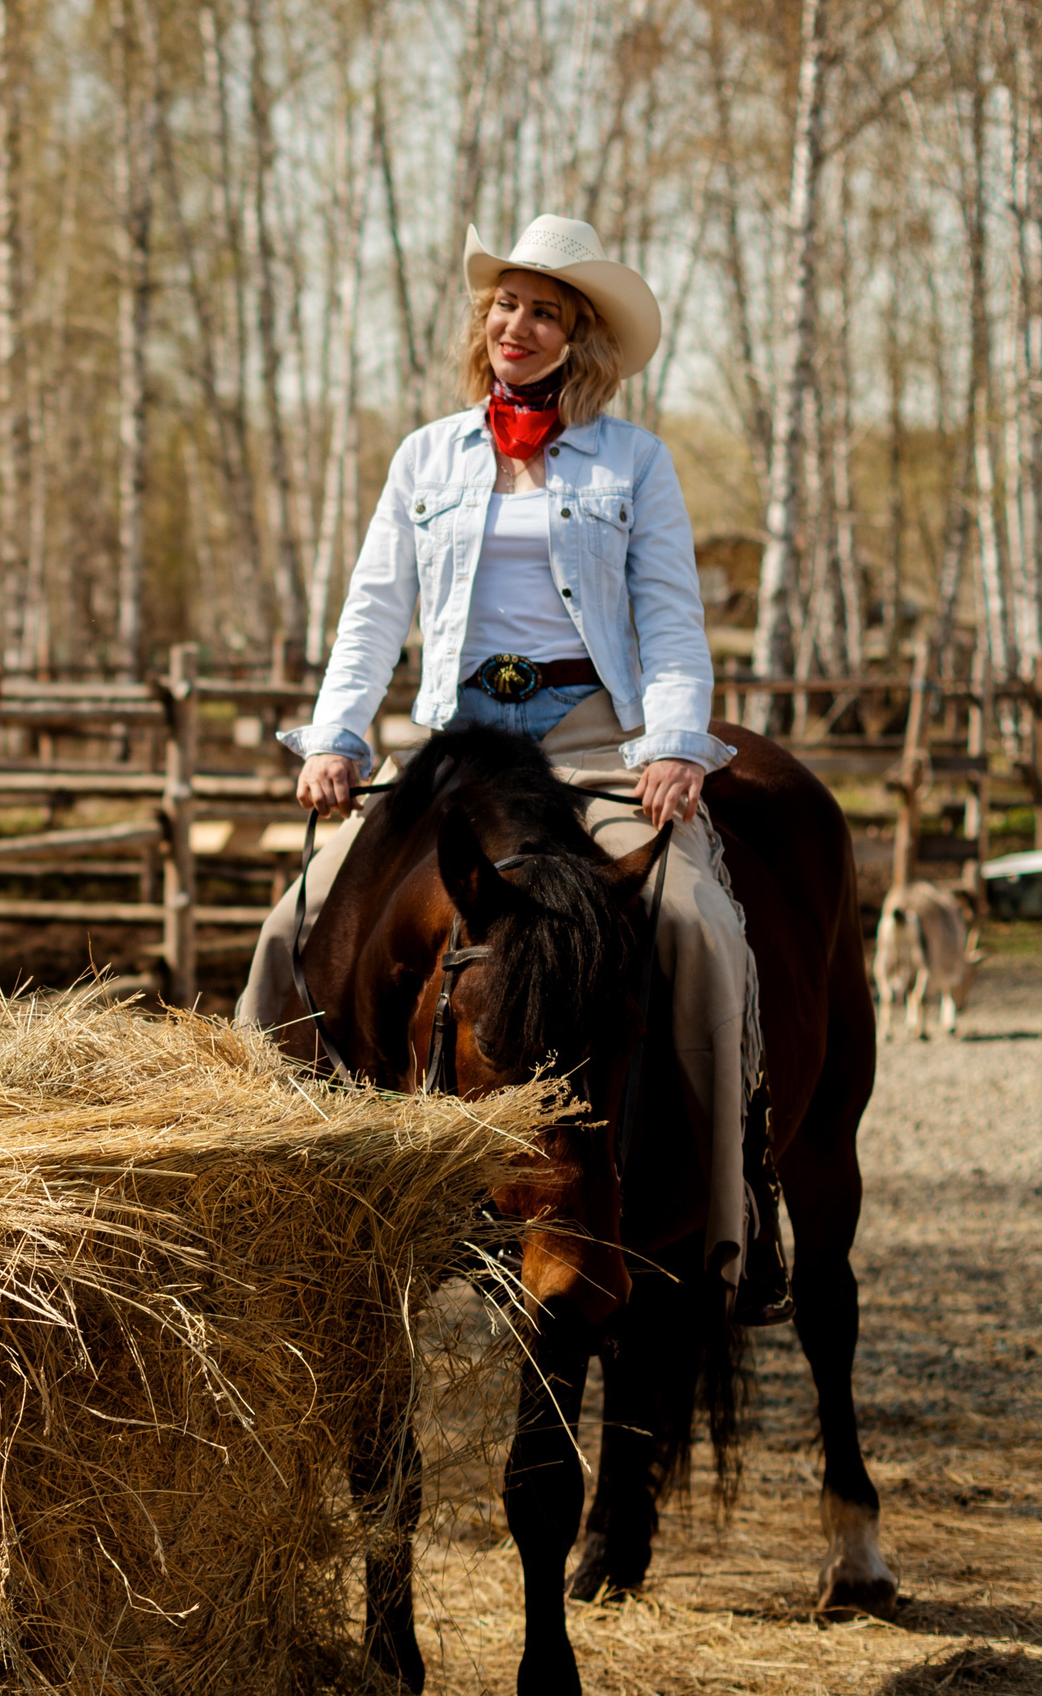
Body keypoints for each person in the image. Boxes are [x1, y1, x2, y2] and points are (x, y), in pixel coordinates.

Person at [237, 214, 786, 1321]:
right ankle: (265, 1209)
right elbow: (372, 611)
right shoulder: (425, 456)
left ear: (577, 337)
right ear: (482, 320)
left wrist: (675, 743)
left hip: (588, 742)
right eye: (504, 303)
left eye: (542, 310)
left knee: (702, 931)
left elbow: (672, 617)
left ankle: (734, 1224)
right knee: (288, 929)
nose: (516, 325)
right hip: (456, 752)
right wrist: (337, 736)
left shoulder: (635, 463)